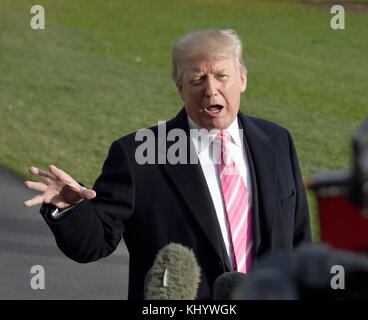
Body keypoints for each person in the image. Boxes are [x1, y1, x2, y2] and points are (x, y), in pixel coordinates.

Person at [24, 29, 312, 300]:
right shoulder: (138, 155)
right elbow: (93, 244)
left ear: (243, 79)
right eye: (198, 80)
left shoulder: (276, 141)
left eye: (222, 76)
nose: (211, 90)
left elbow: (300, 242)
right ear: (180, 89)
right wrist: (71, 208)